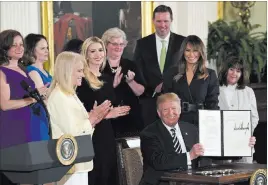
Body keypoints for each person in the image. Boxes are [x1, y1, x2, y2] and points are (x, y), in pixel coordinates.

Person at [47, 51, 111, 185]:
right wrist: (92, 119)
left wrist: (93, 118)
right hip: (69, 164)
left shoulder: (69, 94)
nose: (83, 74)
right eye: (79, 71)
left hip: (78, 160)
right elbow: (72, 133)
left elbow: (81, 126)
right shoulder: (59, 96)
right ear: (67, 71)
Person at [76, 37, 130, 185]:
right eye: (92, 51)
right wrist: (107, 114)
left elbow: (108, 104)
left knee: (109, 174)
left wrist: (113, 111)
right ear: (86, 55)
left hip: (107, 133)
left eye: (100, 50)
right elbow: (81, 112)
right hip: (91, 135)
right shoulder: (82, 81)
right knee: (97, 174)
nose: (98, 54)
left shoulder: (106, 78)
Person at [0, 29, 49, 185]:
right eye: (14, 45)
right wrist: (32, 99)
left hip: (30, 128)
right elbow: (5, 104)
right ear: (4, 47)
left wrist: (40, 94)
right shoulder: (2, 71)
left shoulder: (23, 69)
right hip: (11, 131)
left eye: (21, 44)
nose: (20, 48)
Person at [134, 5, 186, 126]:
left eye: (166, 21)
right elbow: (138, 71)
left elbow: (186, 70)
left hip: (176, 104)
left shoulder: (183, 42)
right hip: (150, 104)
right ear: (153, 21)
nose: (162, 25)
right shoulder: (142, 44)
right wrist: (151, 90)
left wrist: (167, 83)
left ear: (171, 21)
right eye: (159, 21)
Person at [139, 93, 204, 185]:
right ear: (159, 113)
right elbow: (158, 161)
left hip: (191, 180)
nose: (171, 113)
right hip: (162, 181)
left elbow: (203, 156)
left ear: (180, 110)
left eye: (174, 108)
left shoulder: (191, 129)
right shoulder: (149, 133)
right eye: (165, 110)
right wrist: (189, 156)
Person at [163, 35, 219, 127]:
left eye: (195, 50)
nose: (191, 55)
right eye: (187, 50)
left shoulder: (210, 74)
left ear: (201, 52)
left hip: (201, 123)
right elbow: (166, 101)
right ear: (183, 52)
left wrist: (213, 126)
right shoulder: (172, 73)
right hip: (176, 122)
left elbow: (212, 104)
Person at [101, 27, 145, 138]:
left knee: (131, 155)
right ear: (106, 45)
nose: (118, 47)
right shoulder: (99, 67)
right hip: (107, 120)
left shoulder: (130, 65)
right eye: (115, 44)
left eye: (121, 44)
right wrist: (112, 86)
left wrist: (130, 82)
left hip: (131, 120)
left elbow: (141, 92)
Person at [217, 56, 258, 163]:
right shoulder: (215, 90)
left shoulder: (248, 92)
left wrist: (245, 133)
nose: (234, 73)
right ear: (225, 70)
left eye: (238, 71)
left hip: (244, 144)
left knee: (243, 177)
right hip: (221, 145)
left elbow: (254, 117)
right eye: (231, 69)